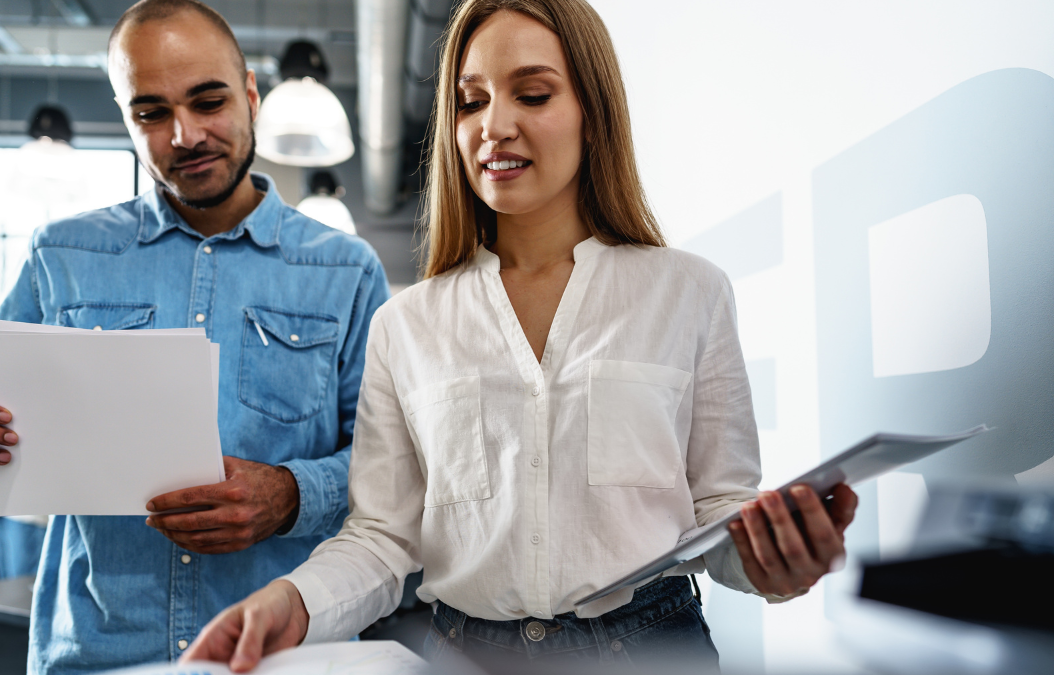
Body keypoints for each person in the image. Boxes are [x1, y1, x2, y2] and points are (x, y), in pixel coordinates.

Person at [182, 0, 860, 671]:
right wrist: (289, 600)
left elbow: (721, 512)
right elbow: (382, 538)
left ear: (593, 114)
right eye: (470, 101)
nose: (494, 126)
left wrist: (776, 563)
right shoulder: (405, 325)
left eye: (532, 95)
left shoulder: (690, 293)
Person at [0, 0, 389, 672]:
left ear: (252, 93)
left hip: (280, 654)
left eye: (208, 101)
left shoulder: (345, 271)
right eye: (152, 112)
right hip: (94, 650)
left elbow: (388, 472)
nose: (186, 134)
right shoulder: (62, 254)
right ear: (126, 117)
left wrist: (290, 493)